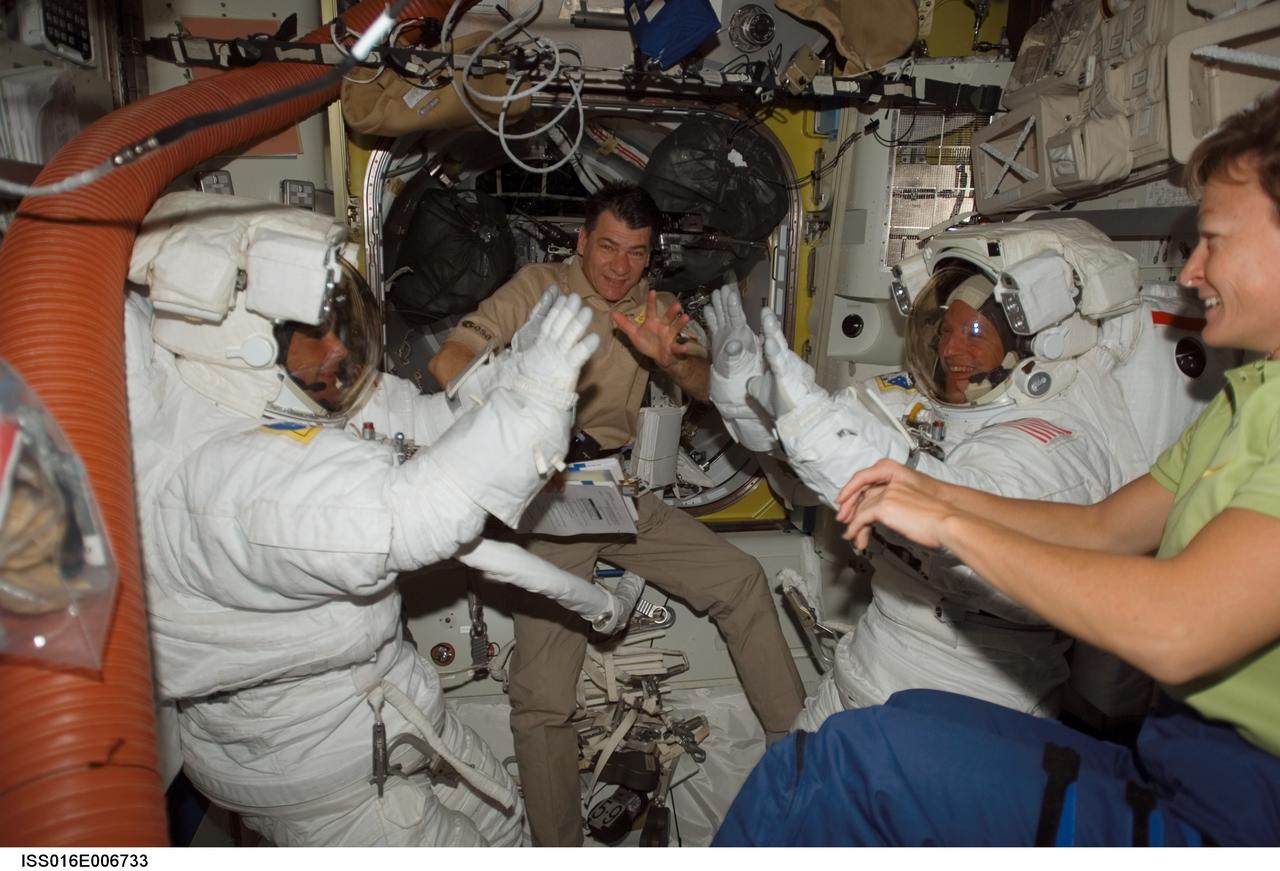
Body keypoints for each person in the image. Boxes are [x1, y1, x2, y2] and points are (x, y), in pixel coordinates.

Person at [713, 86, 1280, 846]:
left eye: (1212, 238)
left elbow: (1178, 627)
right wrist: (915, 486)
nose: (1190, 271)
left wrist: (944, 517)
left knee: (852, 763)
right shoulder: (1248, 401)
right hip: (1173, 759)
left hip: (1243, 807)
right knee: (899, 722)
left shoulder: (1055, 437)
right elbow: (1105, 528)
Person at [125, 192, 611, 846]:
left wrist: (510, 378)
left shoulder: (285, 395)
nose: (334, 350)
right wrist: (535, 405)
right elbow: (412, 512)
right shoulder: (232, 482)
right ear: (237, 341)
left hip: (389, 706)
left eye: (336, 322)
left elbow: (421, 428)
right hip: (326, 774)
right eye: (308, 333)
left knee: (506, 828)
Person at [706, 215, 1220, 727]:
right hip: (865, 672)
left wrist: (849, 456)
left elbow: (979, 534)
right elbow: (810, 453)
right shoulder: (924, 401)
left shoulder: (1053, 440)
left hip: (962, 703)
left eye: (975, 332)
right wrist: (748, 397)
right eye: (947, 329)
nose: (952, 349)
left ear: (1033, 345)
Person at [427, 183, 806, 846]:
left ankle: (800, 761)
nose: (618, 265)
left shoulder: (655, 308)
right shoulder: (541, 288)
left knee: (742, 579)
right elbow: (449, 357)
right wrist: (507, 405)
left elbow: (701, 386)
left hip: (623, 489)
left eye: (635, 252)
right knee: (543, 699)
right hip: (549, 495)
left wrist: (679, 361)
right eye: (607, 246)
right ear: (582, 240)